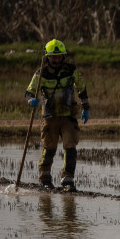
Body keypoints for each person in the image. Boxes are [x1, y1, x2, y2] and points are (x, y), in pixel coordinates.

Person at [24, 38, 90, 191]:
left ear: (63, 56)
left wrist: (86, 107)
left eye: (59, 56)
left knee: (71, 147)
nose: (56, 59)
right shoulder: (41, 73)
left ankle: (67, 180)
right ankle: (45, 180)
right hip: (49, 117)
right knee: (49, 148)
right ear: (47, 57)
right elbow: (29, 91)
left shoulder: (71, 70)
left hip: (68, 116)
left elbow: (82, 87)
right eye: (53, 57)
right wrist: (31, 100)